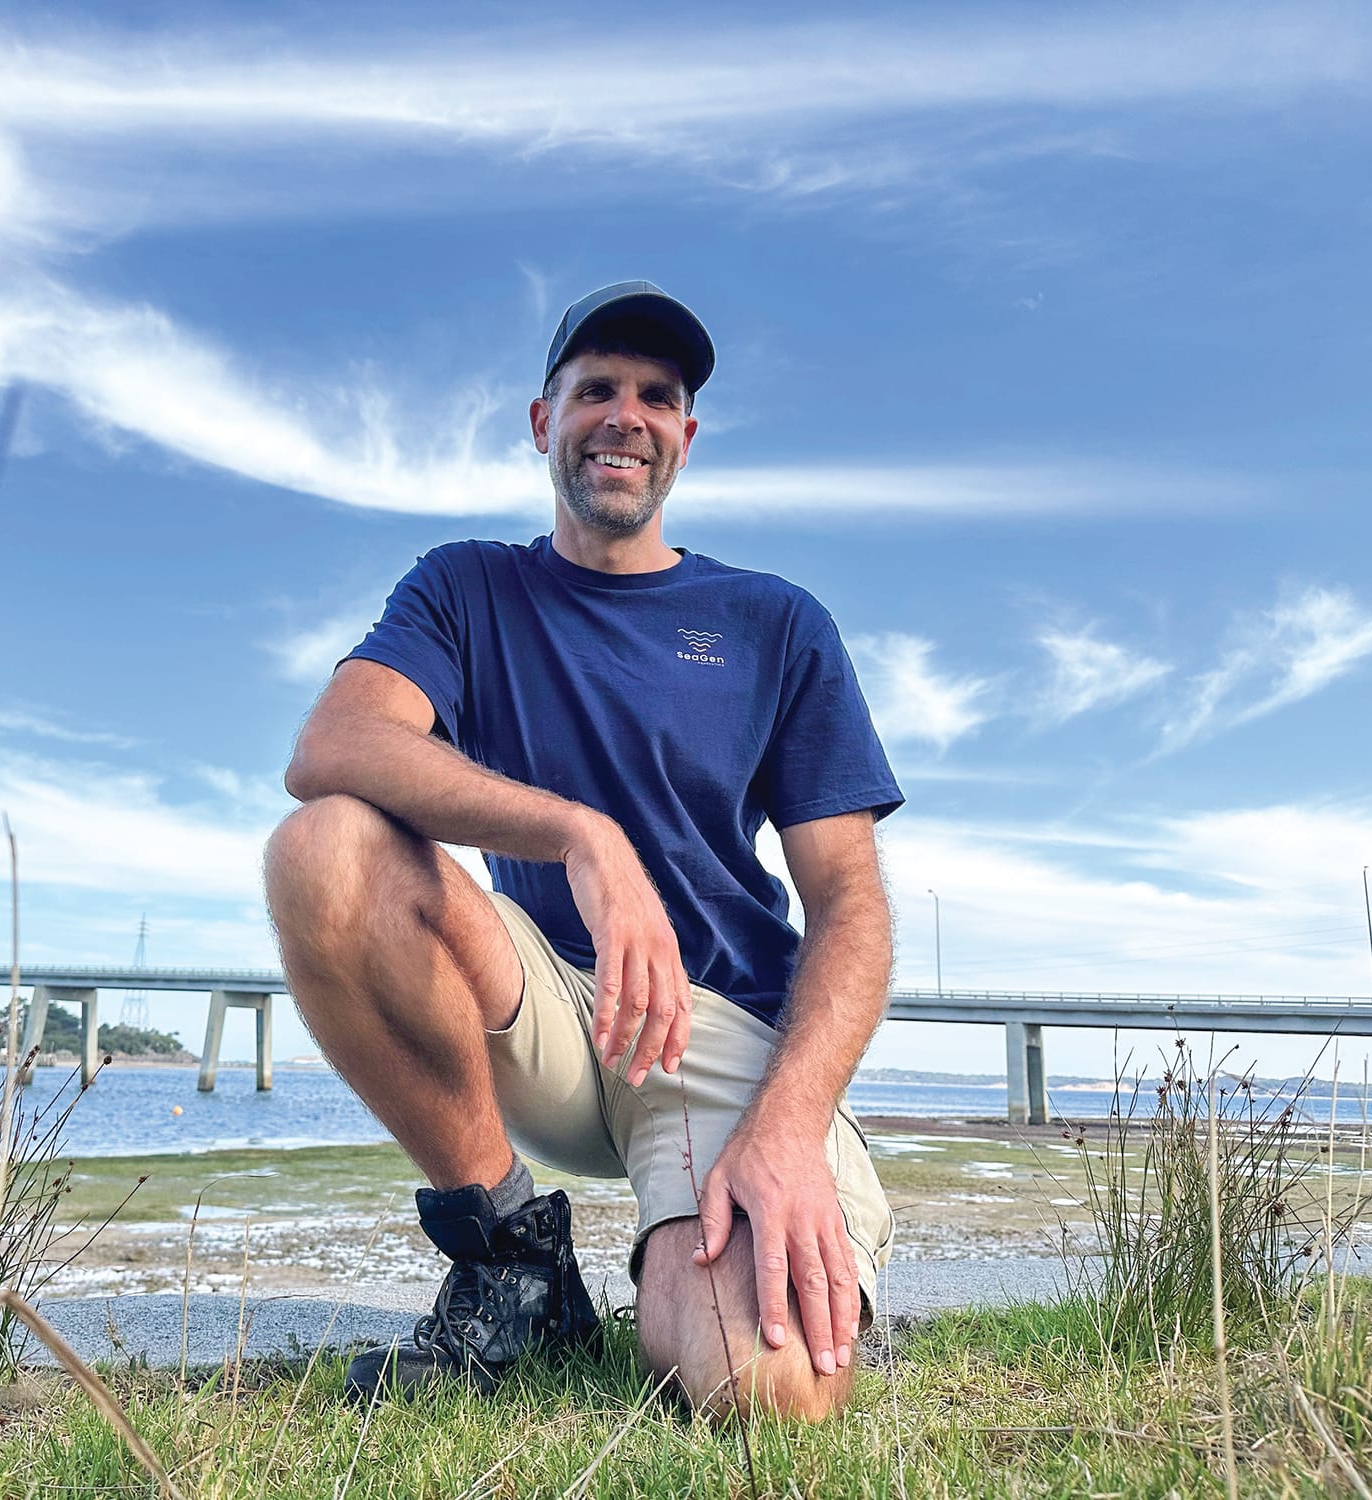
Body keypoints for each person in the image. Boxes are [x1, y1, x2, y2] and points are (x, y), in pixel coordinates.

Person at [264, 281, 902, 1420]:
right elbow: (333, 744)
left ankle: (756, 1260)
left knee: (766, 1396)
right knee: (326, 845)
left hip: (718, 1032)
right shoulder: (468, 586)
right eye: (593, 389)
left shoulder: (775, 622)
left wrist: (788, 1123)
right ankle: (512, 1257)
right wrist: (579, 835)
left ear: (685, 438)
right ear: (540, 419)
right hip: (547, 1003)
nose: (625, 415)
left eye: (656, 397)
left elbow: (849, 902)